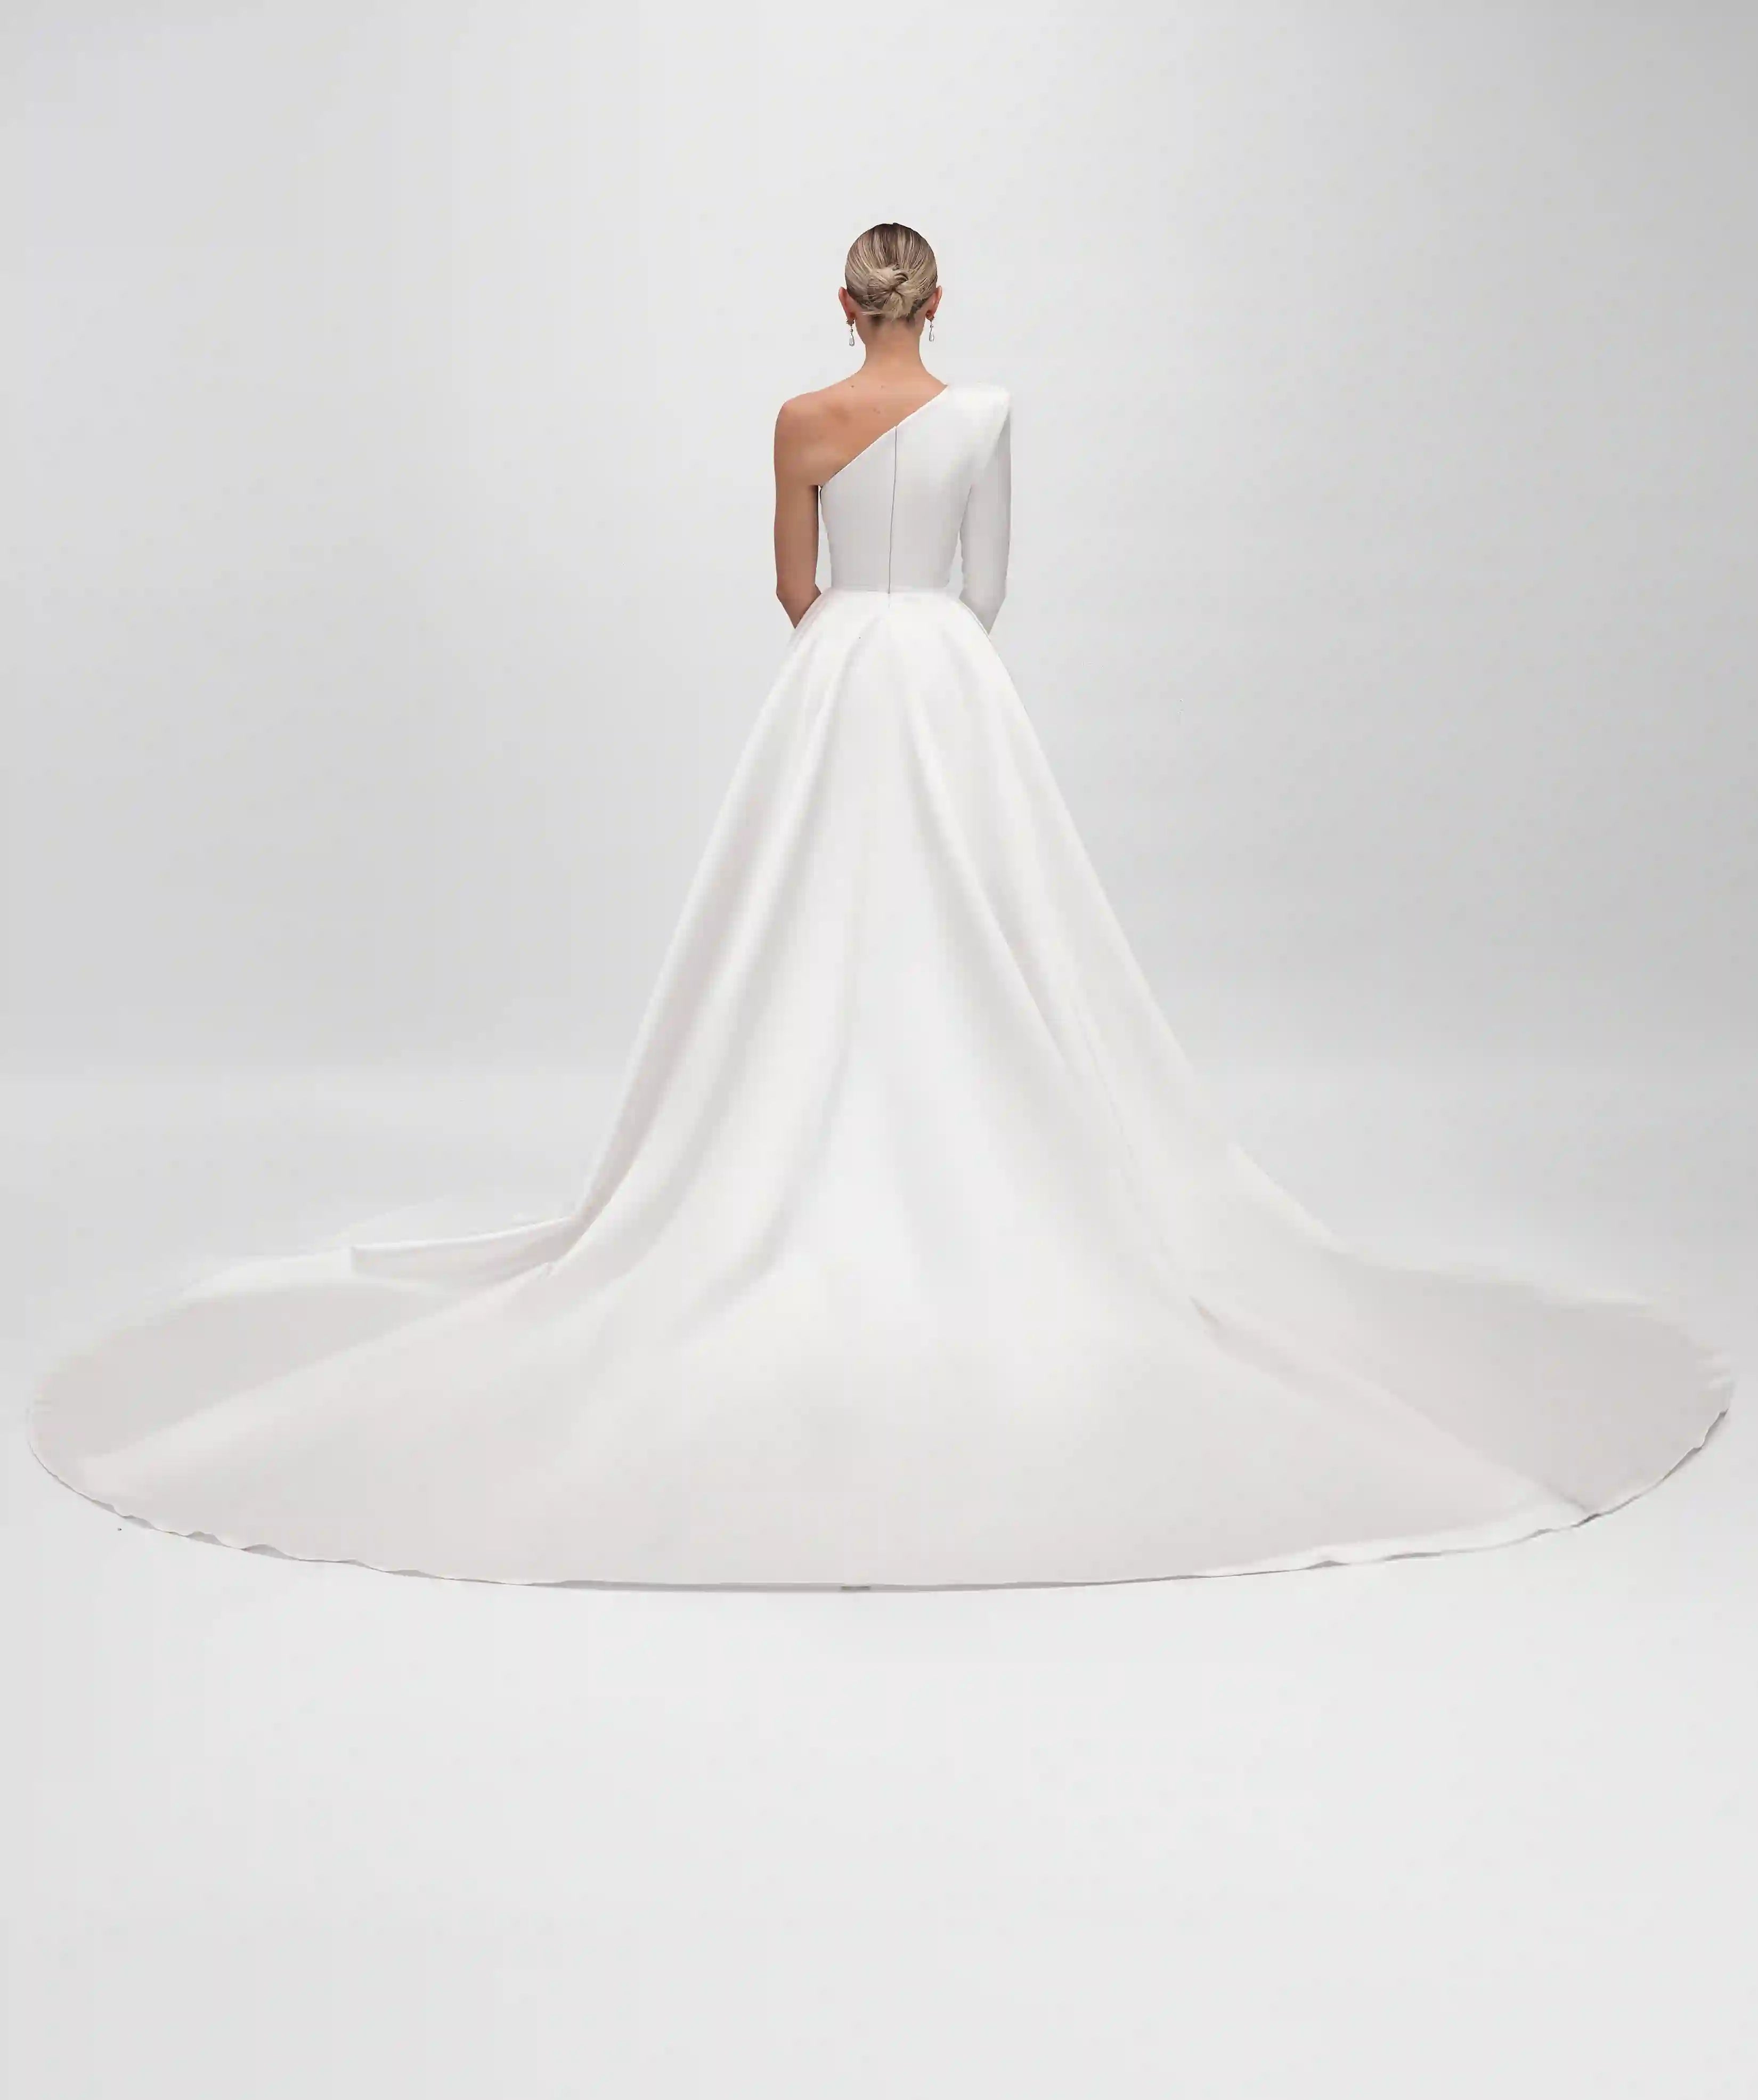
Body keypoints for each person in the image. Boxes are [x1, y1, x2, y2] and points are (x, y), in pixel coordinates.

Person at [27, 223, 1732, 1587]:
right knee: (993, 915)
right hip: (947, 677)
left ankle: (776, 1156)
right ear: (936, 302)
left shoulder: (799, 417)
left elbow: (790, 581)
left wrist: (854, 639)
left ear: (843, 305)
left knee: (798, 920)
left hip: (839, 669)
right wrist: (930, 654)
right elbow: (989, 585)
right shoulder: (989, 414)